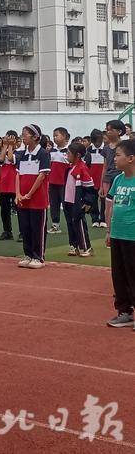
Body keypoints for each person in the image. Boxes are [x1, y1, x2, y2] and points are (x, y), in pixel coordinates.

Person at [105, 140, 135, 328]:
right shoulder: (118, 180)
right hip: (118, 234)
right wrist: (109, 231)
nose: (114, 159)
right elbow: (111, 205)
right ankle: (124, 311)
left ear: (131, 158)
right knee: (119, 275)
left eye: (118, 155)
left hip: (133, 236)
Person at [15, 124, 52, 269]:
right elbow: (17, 175)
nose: (23, 137)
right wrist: (18, 194)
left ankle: (38, 256)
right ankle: (28, 254)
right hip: (23, 199)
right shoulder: (22, 154)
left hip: (37, 198)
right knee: (25, 227)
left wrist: (29, 194)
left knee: (37, 228)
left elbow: (41, 176)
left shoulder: (43, 154)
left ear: (35, 137)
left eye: (25, 134)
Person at [63, 141, 96, 258]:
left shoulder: (82, 168)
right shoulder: (70, 168)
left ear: (77, 155)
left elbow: (89, 187)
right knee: (70, 223)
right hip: (68, 201)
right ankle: (74, 245)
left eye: (69, 153)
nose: (67, 155)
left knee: (79, 224)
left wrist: (87, 202)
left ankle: (87, 247)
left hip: (77, 202)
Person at [0, 130, 19, 241]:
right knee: (4, 209)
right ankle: (7, 231)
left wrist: (10, 146)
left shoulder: (19, 152)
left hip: (15, 183)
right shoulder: (2, 151)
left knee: (19, 209)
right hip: (4, 184)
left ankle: (22, 232)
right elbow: (0, 160)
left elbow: (10, 159)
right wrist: (5, 146)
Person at [47, 127, 70, 235]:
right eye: (54, 136)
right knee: (54, 204)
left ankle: (71, 224)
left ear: (64, 136)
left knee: (66, 205)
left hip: (65, 183)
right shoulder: (51, 151)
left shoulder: (70, 151)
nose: (55, 138)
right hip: (52, 182)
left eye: (57, 135)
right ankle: (55, 224)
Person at [87, 129, 107, 228]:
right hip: (92, 177)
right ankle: (95, 219)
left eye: (99, 141)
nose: (98, 144)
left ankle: (103, 219)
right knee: (93, 199)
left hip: (103, 177)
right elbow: (87, 164)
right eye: (95, 142)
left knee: (103, 199)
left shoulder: (106, 148)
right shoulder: (89, 149)